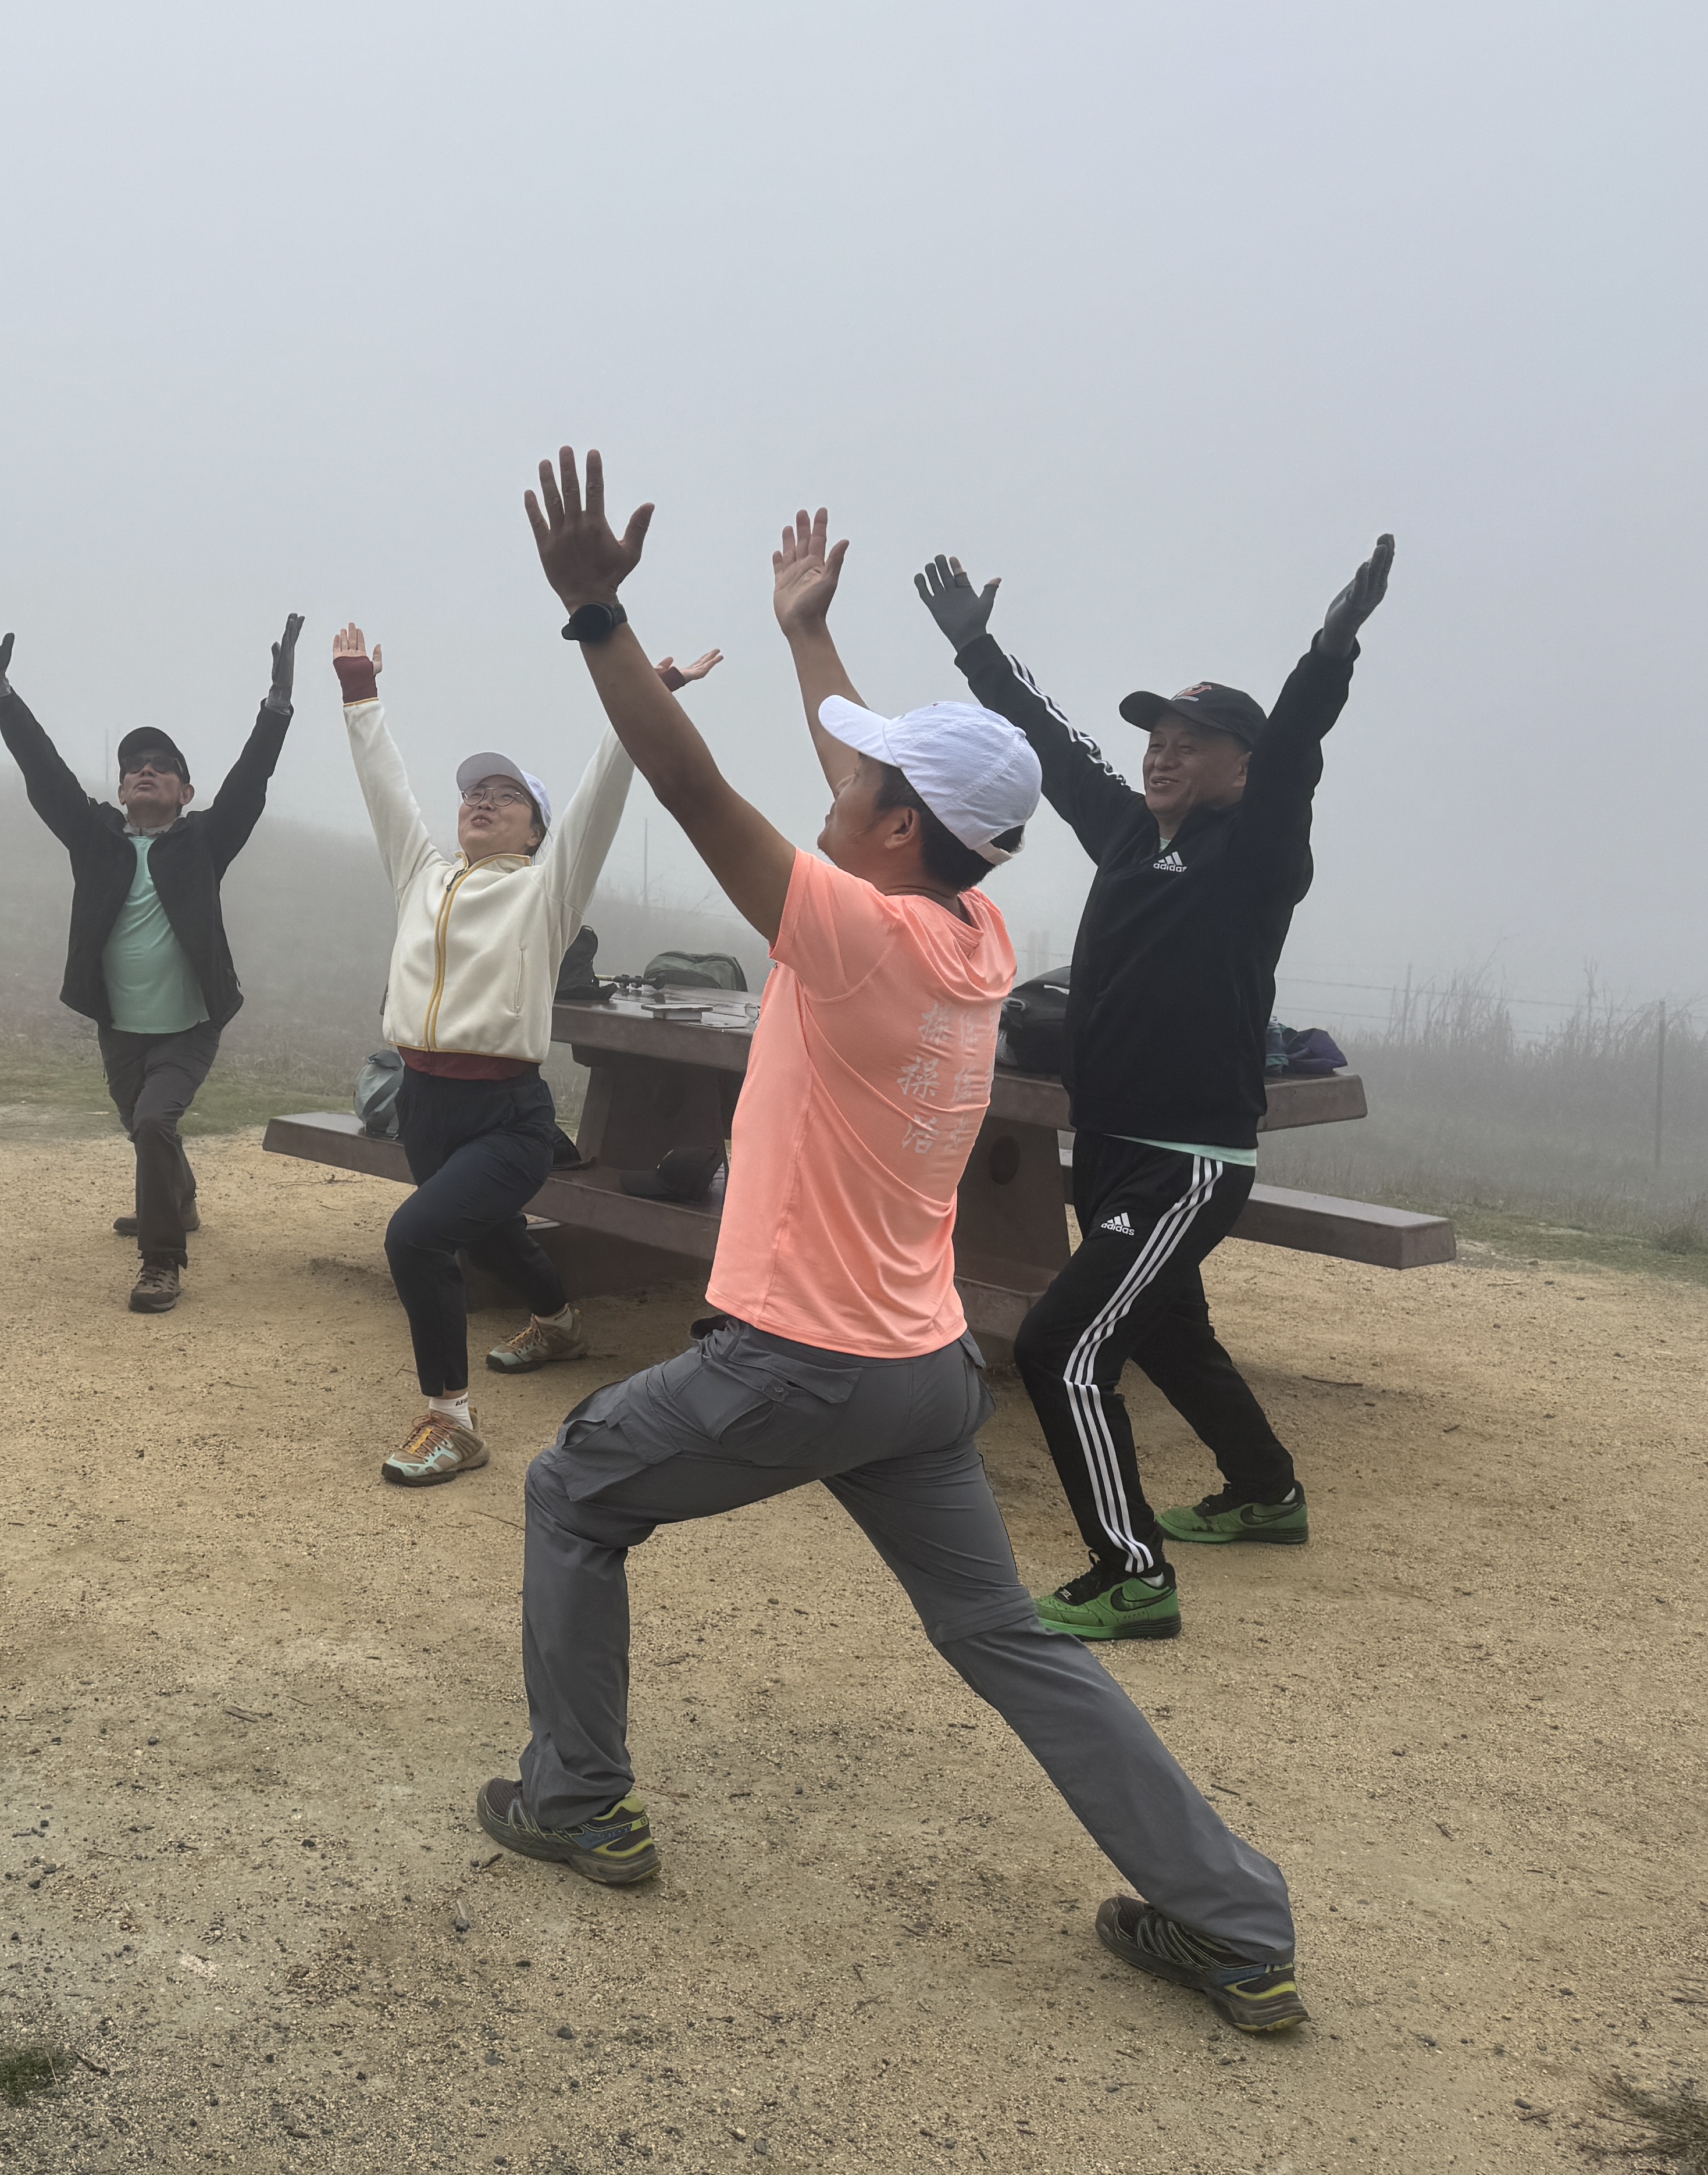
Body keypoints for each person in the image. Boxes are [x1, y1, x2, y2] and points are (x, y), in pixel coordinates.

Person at [486, 463, 1304, 2037]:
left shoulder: (853, 930)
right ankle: (1236, 1921)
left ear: (900, 827)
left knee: (571, 1485)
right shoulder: (971, 929)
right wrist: (812, 636)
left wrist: (597, 616)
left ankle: (579, 1799)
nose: (832, 788)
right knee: (1004, 1640)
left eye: (859, 785)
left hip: (803, 1365)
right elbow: (884, 784)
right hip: (920, 1374)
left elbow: (692, 789)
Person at [918, 531, 1393, 1642]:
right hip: (1118, 1144)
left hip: (1189, 1157)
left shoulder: (1255, 851)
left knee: (1059, 1346)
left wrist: (1328, 649)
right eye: (1159, 739)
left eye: (1194, 742)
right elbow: (1057, 743)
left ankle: (1131, 1569)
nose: (1165, 755)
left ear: (1239, 765)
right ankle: (1265, 1488)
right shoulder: (1130, 834)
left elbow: (1295, 758)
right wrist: (978, 652)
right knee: (1171, 1330)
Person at [333, 608, 710, 1487]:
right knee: (491, 1235)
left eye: (505, 797)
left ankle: (452, 1421)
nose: (481, 801)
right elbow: (387, 789)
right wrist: (361, 697)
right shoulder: (423, 875)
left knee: (418, 1238)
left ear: (537, 830)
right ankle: (560, 1323)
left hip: (507, 1113)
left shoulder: (546, 891)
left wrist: (642, 702)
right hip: (425, 1103)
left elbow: (600, 797)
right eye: (474, 792)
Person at [0, 608, 303, 1311]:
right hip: (120, 1024)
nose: (147, 773)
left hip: (188, 1025)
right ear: (119, 790)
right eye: (134, 768)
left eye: (163, 768)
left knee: (152, 1122)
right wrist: (1, 691)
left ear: (185, 789)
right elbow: (44, 772)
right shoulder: (97, 838)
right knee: (142, 1124)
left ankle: (162, 1260)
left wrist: (276, 707)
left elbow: (252, 781)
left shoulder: (205, 841)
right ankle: (177, 1200)